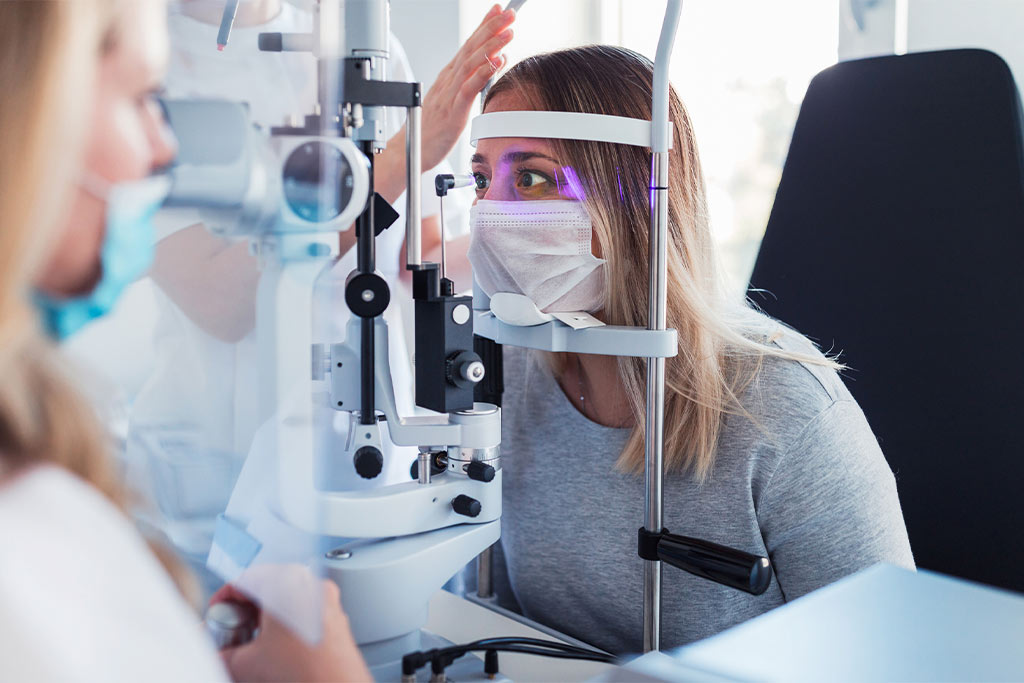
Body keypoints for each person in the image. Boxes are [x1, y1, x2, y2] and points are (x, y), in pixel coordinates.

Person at [467, 45, 915, 654]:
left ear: (636, 197)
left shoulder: (783, 406)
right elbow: (509, 636)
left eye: (532, 177)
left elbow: (892, 657)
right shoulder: (509, 373)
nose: (491, 209)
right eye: (479, 177)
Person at [0, 0, 399, 679]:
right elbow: (224, 301)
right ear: (32, 117)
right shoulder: (33, 545)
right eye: (142, 98)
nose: (164, 150)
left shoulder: (43, 465)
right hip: (213, 490)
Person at [123, 0, 515, 592]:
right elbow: (221, 302)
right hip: (218, 476)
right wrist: (404, 154)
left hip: (378, 455)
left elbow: (420, 258)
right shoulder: (144, 59)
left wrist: (539, 219)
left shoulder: (371, 40)